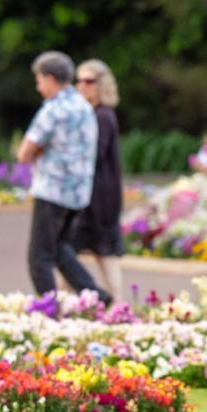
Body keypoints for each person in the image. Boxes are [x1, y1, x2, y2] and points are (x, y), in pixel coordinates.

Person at [16, 51, 110, 304]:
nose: (38, 87)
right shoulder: (83, 107)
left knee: (39, 257)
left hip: (52, 190)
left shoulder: (53, 110)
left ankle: (49, 310)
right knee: (60, 249)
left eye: (38, 81)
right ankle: (97, 297)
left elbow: (24, 153)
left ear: (49, 79)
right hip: (78, 193)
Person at [69, 59, 125, 302]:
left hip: (99, 198)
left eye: (89, 81)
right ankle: (114, 305)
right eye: (79, 80)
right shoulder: (92, 113)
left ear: (101, 85)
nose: (82, 85)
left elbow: (91, 155)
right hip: (93, 196)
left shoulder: (102, 115)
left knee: (98, 253)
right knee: (77, 252)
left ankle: (117, 304)